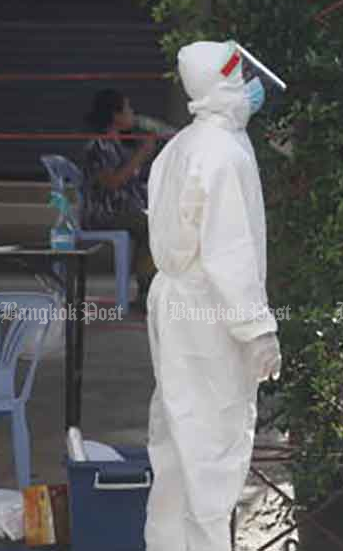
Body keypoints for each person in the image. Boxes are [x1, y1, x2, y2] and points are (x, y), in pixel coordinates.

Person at [145, 40, 282, 551]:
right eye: (241, 74)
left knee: (178, 438)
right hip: (207, 308)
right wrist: (257, 330)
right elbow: (230, 252)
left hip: (177, 302)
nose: (251, 85)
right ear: (224, 80)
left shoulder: (183, 145)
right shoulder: (222, 152)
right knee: (211, 440)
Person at [80, 89, 158, 310]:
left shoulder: (119, 146)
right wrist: (141, 155)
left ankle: (151, 288)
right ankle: (146, 290)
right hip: (103, 213)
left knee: (159, 220)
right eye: (128, 109)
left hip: (123, 210)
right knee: (150, 226)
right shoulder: (98, 146)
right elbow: (112, 182)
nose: (132, 114)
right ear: (115, 116)